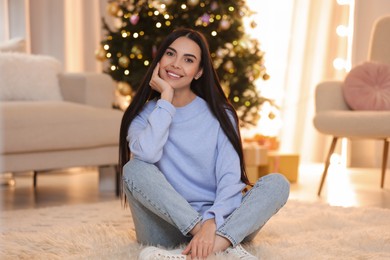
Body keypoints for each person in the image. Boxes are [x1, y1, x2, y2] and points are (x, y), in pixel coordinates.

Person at [119, 28, 290, 260]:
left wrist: (212, 222)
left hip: (221, 222)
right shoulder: (142, 115)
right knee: (134, 168)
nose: (176, 64)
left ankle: (194, 251)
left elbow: (231, 179)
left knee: (277, 183)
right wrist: (166, 100)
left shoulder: (221, 114)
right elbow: (147, 155)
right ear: (159, 60)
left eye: (188, 60)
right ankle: (220, 247)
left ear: (199, 72)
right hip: (165, 227)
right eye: (170, 54)